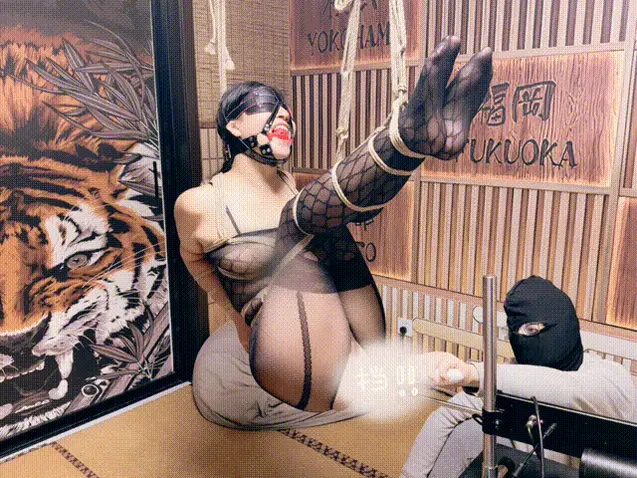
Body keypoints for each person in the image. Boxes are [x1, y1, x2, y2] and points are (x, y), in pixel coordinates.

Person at [174, 36, 493, 427]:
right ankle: (408, 137)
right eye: (266, 106)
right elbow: (192, 257)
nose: (284, 115)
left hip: (348, 349)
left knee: (324, 223)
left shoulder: (291, 187)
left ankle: (417, 143)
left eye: (286, 111)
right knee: (300, 222)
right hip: (288, 365)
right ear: (233, 124)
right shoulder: (199, 203)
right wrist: (236, 317)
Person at [400, 276, 637, 478]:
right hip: (530, 468)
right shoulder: (516, 373)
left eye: (532, 331)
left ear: (563, 323)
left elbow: (565, 389)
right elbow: (448, 413)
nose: (524, 340)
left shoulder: (612, 378)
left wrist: (473, 373)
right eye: (518, 332)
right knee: (467, 432)